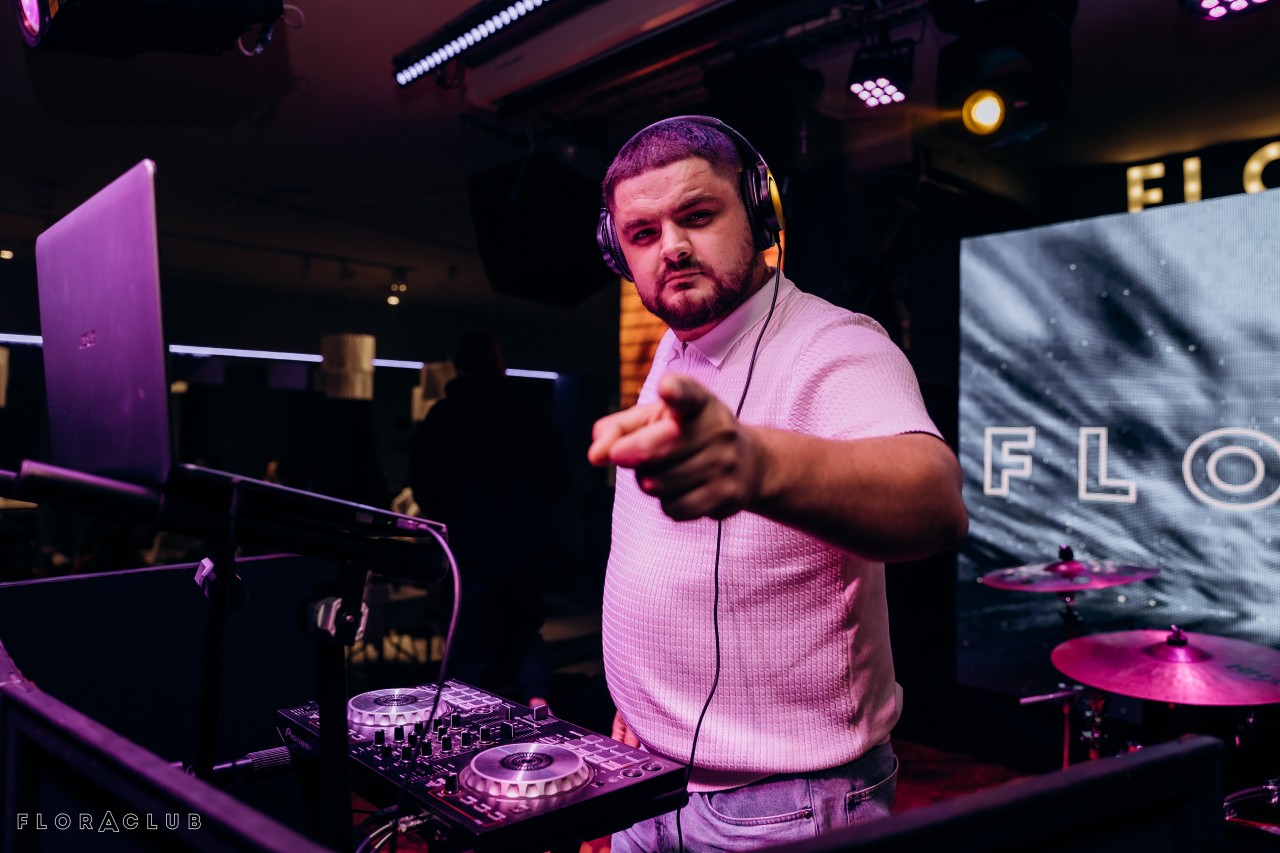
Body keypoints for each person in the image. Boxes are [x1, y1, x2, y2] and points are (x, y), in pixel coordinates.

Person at [587, 116, 968, 851]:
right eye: (642, 233)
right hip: (648, 770)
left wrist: (759, 465)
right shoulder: (676, 345)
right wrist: (644, 708)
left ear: (759, 215)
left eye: (698, 215)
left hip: (784, 802)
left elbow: (935, 501)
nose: (672, 246)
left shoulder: (837, 344)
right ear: (619, 252)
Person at [408, 330, 568, 706]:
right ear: (499, 363)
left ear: (458, 366)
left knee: (469, 654)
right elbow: (561, 481)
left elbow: (423, 486)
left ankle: (471, 724)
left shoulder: (444, 416)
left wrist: (453, 517)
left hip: (468, 551)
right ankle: (539, 709)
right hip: (524, 549)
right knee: (526, 633)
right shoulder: (530, 414)